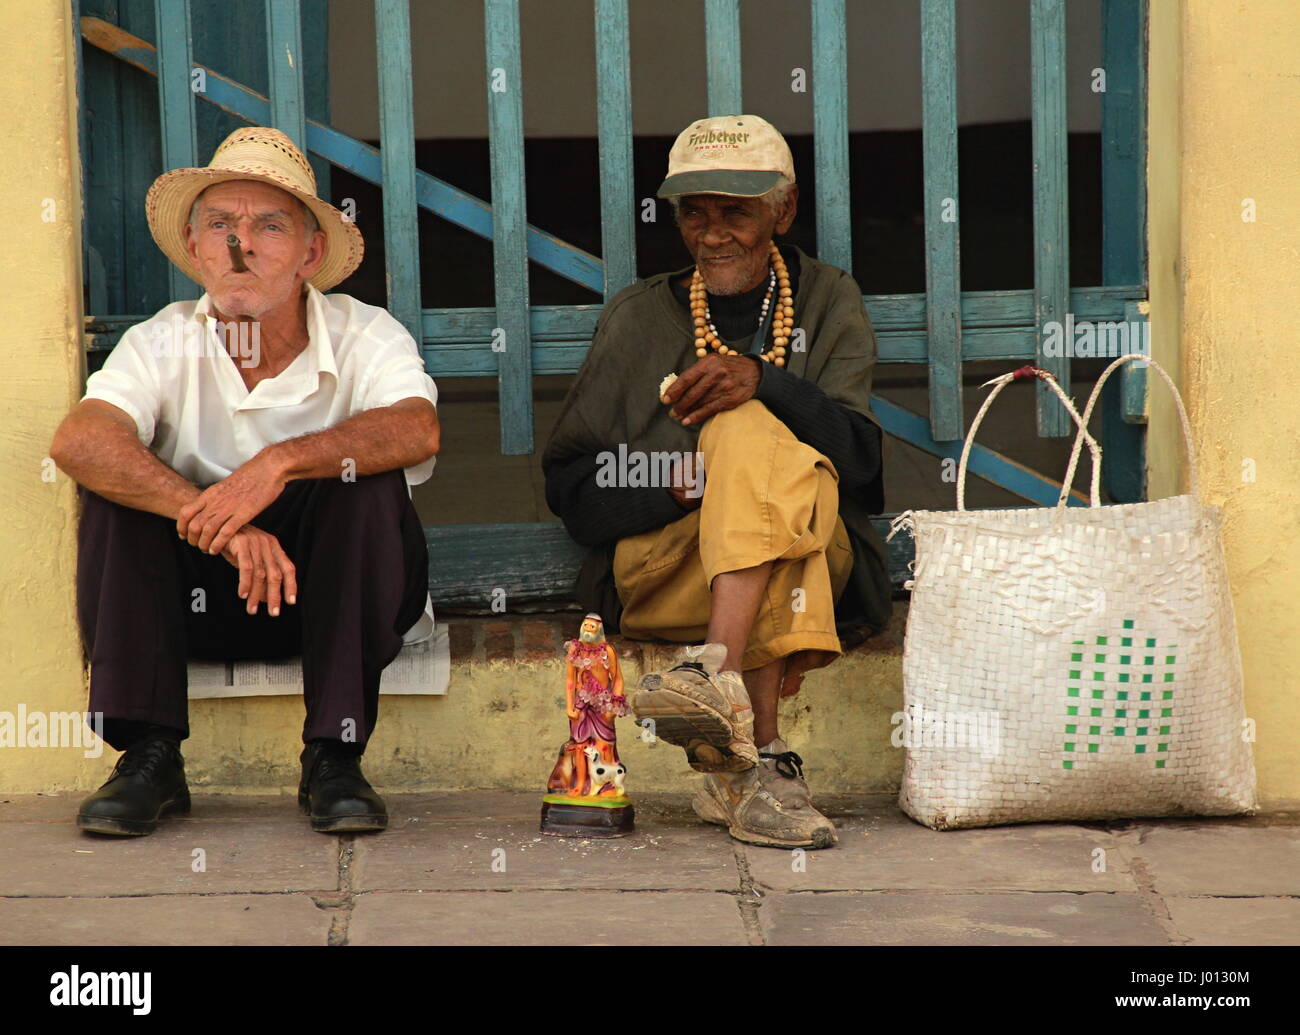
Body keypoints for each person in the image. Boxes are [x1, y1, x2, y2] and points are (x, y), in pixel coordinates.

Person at [49, 127, 440, 836]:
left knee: (365, 480)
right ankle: (149, 755)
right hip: (198, 605)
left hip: (333, 600)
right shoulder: (160, 339)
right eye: (221, 226)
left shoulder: (367, 334)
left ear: (310, 253)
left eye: (268, 226)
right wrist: (222, 524)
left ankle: (334, 755)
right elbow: (79, 439)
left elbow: (418, 428)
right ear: (197, 249)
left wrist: (277, 463)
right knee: (117, 487)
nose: (241, 246)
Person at [542, 114, 892, 850]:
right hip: (671, 572)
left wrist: (764, 381)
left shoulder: (828, 300)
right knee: (754, 472)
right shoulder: (638, 319)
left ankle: (714, 676)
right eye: (694, 214)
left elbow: (862, 465)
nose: (713, 233)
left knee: (751, 429)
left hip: (814, 565)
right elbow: (570, 488)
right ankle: (761, 759)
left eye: (736, 212)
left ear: (782, 211)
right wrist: (672, 488)